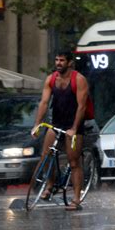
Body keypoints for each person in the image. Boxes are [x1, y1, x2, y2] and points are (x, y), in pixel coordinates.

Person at [33, 51, 89, 211]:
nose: (58, 63)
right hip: (56, 123)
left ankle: (76, 198)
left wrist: (74, 128)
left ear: (69, 62)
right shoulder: (51, 79)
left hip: (74, 125)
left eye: (62, 60)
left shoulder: (78, 80)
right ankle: (50, 185)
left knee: (74, 162)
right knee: (45, 155)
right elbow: (44, 102)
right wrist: (37, 124)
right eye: (57, 60)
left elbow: (82, 106)